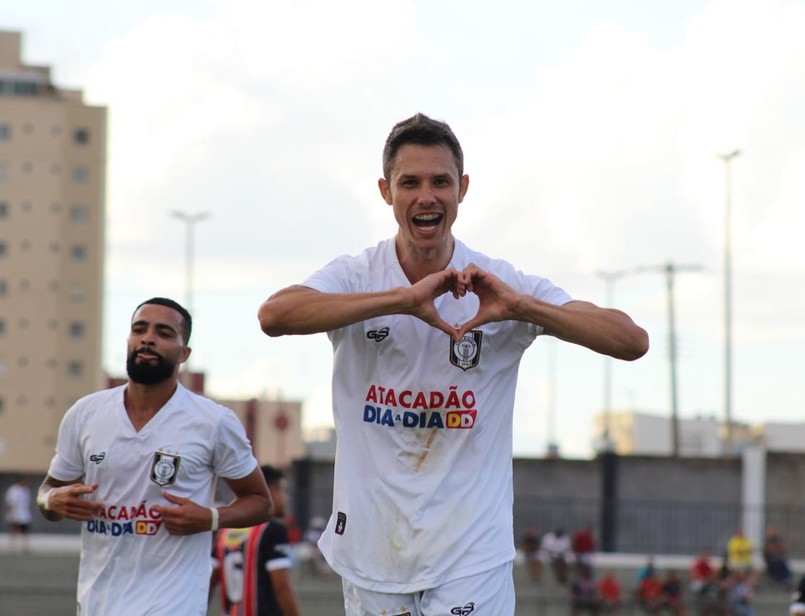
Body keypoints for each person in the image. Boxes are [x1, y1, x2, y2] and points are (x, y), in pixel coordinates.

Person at [258, 113, 649, 615]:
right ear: (385, 191)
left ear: (462, 189)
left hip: (471, 556)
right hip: (373, 552)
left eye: (441, 182)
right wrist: (402, 300)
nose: (427, 197)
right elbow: (275, 315)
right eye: (410, 183)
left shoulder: (499, 285)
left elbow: (630, 340)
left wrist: (523, 309)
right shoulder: (357, 275)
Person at [36, 297, 272, 615]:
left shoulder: (212, 421)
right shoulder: (85, 414)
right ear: (129, 340)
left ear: (183, 353)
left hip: (174, 603)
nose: (148, 338)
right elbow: (46, 493)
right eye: (139, 329)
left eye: (163, 332)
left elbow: (260, 501)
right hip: (99, 602)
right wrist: (53, 501)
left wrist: (211, 518)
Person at [213, 465, 302, 616]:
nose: (286, 497)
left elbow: (209, 579)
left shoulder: (225, 532)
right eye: (283, 490)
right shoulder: (272, 529)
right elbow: (281, 585)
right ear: (272, 491)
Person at [4, 477, 32, 553]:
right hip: (15, 513)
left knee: (25, 531)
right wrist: (11, 514)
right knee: (14, 530)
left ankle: (24, 547)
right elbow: (10, 502)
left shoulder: (26, 490)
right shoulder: (14, 490)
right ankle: (11, 547)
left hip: (24, 513)